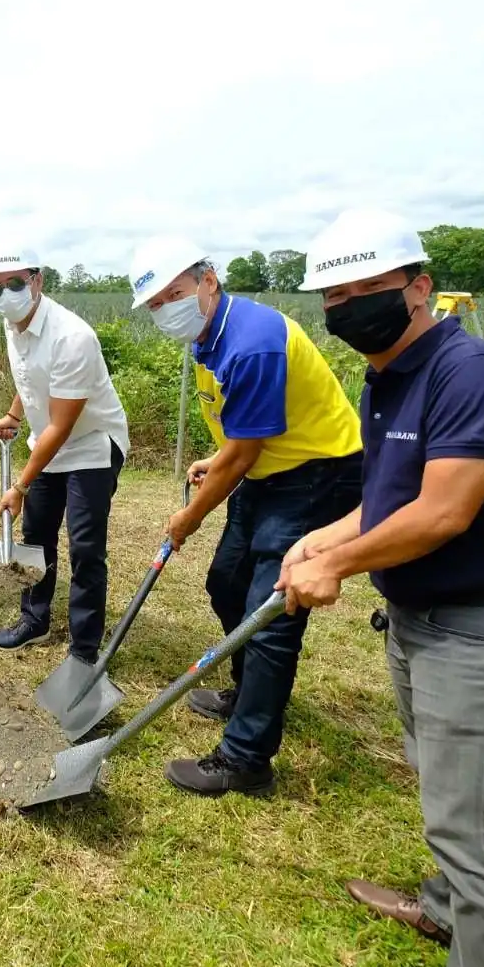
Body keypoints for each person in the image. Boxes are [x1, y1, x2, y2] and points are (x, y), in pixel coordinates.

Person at [279, 208, 484, 967]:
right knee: (441, 783)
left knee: (474, 830)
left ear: (421, 288)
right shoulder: (388, 379)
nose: (348, 309)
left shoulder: (473, 374)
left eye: (367, 290)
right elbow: (391, 499)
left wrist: (338, 563)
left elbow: (445, 512)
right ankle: (446, 907)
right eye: (334, 298)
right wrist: (322, 538)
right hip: (422, 622)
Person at [125, 236, 364, 798]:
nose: (166, 309)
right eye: (156, 304)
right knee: (226, 584)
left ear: (208, 280)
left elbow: (246, 451)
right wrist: (220, 458)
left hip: (316, 475)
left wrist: (189, 517)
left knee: (271, 614)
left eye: (174, 294)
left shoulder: (252, 342)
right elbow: (242, 436)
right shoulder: (210, 335)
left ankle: (246, 757)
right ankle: (248, 686)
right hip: (266, 472)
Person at [0, 245, 129, 661]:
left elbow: (62, 426)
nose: (5, 295)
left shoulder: (72, 337)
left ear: (37, 281)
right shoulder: (13, 324)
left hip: (92, 445)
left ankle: (84, 647)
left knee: (85, 546)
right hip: (49, 440)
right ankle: (34, 620)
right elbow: (31, 375)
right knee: (36, 537)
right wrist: (14, 412)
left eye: (13, 284)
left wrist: (20, 485)